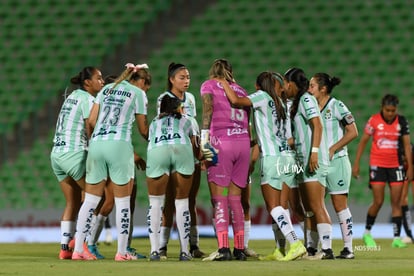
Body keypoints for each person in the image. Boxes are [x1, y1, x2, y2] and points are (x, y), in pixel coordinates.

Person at [220, 71, 307, 261]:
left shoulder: (262, 97)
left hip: (272, 158)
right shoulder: (282, 102)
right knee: (282, 208)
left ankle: (296, 244)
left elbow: (236, 101)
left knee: (273, 207)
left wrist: (222, 82)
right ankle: (280, 250)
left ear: (258, 86)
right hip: (288, 157)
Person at [72, 62, 149, 261]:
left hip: (97, 144)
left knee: (90, 201)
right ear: (137, 80)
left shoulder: (106, 89)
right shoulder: (138, 94)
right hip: (119, 146)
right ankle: (122, 252)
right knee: (123, 203)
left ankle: (78, 250)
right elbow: (143, 130)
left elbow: (90, 121)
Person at [50, 66, 104, 259]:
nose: (102, 81)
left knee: (72, 202)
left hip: (57, 153)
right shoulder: (89, 99)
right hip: (74, 153)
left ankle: (65, 248)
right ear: (87, 82)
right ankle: (81, 244)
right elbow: (91, 124)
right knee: (97, 197)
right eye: (99, 78)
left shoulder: (71, 97)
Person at [200, 58, 250, 261]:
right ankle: (239, 249)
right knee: (235, 199)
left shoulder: (209, 84)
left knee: (219, 199)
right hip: (243, 143)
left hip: (222, 142)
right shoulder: (240, 90)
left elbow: (208, 108)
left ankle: (223, 249)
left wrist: (204, 139)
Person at [156, 62, 205, 259]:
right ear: (171, 79)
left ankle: (193, 245)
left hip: (190, 154)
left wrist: (200, 153)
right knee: (169, 202)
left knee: (190, 201)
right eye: (182, 78)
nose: (186, 81)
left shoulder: (191, 98)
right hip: (171, 154)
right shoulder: (163, 99)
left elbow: (194, 127)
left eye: (188, 77)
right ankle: (162, 246)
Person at [284, 67, 334, 259]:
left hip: (313, 159)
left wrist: (314, 153)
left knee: (317, 205)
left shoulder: (305, 99)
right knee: (309, 209)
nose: (285, 88)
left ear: (292, 83)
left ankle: (327, 249)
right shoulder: (297, 102)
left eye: (286, 84)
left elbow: (318, 125)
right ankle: (312, 247)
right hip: (303, 160)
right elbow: (298, 136)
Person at [352, 94, 413, 248]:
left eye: (393, 110)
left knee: (396, 203)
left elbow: (406, 146)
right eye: (387, 110)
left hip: (396, 166)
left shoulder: (402, 122)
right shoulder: (373, 121)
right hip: (378, 165)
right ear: (382, 108)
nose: (390, 113)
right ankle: (367, 233)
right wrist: (357, 163)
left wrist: (410, 167)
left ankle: (396, 239)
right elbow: (363, 142)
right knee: (378, 201)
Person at [308, 73, 358, 259]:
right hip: (317, 163)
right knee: (315, 205)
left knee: (340, 206)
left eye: (312, 86)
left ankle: (348, 248)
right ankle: (315, 247)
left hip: (337, 161)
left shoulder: (337, 105)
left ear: (323, 89)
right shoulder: (310, 107)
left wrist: (332, 149)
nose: (309, 89)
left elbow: (353, 132)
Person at [146, 95, 198, 261]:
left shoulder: (154, 122)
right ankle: (184, 251)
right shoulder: (188, 120)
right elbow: (197, 149)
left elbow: (149, 138)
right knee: (182, 203)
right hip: (181, 148)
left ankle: (155, 250)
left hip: (158, 149)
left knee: (155, 203)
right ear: (179, 108)